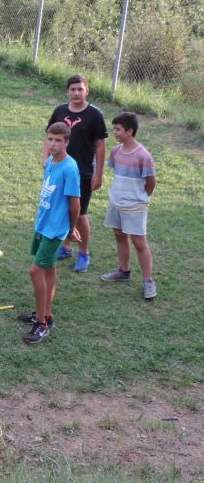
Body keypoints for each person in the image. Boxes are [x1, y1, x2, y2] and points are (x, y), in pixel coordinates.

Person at [18, 123, 81, 344]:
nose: (52, 144)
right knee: (49, 269)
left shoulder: (70, 168)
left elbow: (75, 205)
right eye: (49, 139)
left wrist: (71, 229)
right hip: (43, 225)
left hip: (55, 230)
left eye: (57, 140)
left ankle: (42, 324)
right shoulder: (50, 163)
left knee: (35, 271)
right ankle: (45, 313)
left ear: (66, 142)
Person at [45, 74, 108, 273]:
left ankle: (83, 253)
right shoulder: (60, 110)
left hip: (82, 173)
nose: (76, 93)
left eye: (80, 89)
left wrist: (99, 174)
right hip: (59, 170)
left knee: (80, 214)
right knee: (61, 209)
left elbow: (100, 146)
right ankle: (65, 247)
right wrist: (46, 160)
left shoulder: (95, 115)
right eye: (73, 89)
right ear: (67, 91)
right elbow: (49, 137)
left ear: (86, 90)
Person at [99, 112, 157, 300]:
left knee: (139, 242)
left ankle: (148, 281)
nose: (114, 132)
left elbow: (151, 182)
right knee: (119, 235)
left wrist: (141, 197)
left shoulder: (144, 156)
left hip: (135, 206)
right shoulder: (116, 151)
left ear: (129, 131)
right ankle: (124, 271)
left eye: (117, 129)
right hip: (117, 201)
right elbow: (118, 174)